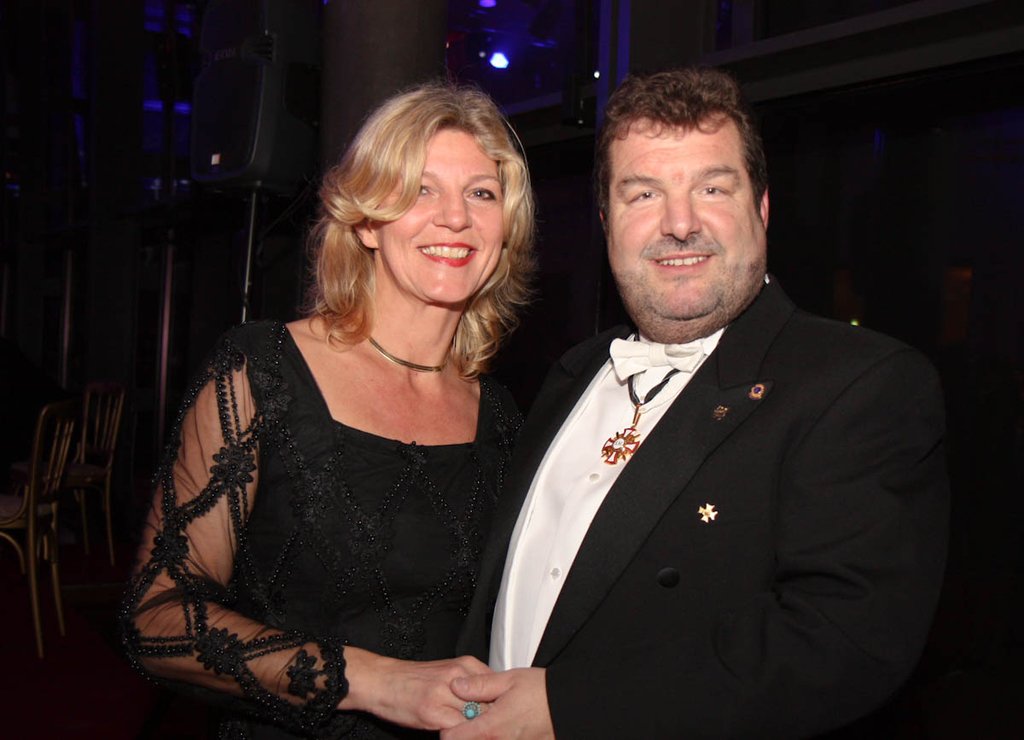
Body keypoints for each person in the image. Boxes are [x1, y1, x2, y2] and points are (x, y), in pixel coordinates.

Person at [447, 67, 949, 738]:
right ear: (607, 222)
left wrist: (565, 708)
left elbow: (843, 641)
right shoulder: (570, 373)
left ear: (761, 208)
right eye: (643, 194)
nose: (679, 224)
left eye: (712, 188)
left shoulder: (860, 384)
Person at [120, 81, 535, 739]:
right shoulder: (263, 373)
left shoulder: (506, 418)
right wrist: (371, 681)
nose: (455, 218)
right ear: (367, 221)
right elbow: (157, 618)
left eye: (481, 194)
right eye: (420, 189)